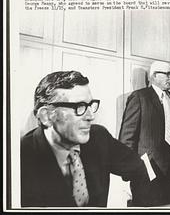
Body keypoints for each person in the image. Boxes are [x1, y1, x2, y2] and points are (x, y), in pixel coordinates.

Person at [21, 70, 154, 207]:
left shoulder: (99, 137)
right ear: (47, 116)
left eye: (90, 105)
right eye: (79, 107)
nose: (91, 116)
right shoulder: (20, 158)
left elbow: (139, 167)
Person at [119, 61, 170, 206]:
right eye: (168, 74)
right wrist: (128, 171)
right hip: (149, 172)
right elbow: (127, 136)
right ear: (154, 76)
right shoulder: (139, 97)